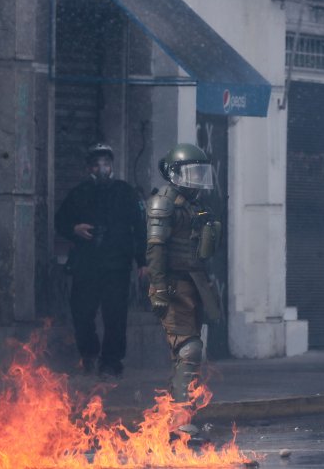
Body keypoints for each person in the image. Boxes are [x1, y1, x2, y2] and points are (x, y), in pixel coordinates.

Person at [145, 143, 223, 438]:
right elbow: (155, 249)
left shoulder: (195, 205)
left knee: (188, 353)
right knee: (189, 348)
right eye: (191, 173)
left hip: (195, 283)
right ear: (174, 174)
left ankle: (176, 417)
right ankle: (179, 421)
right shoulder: (163, 203)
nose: (197, 180)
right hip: (175, 285)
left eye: (200, 173)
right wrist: (159, 288)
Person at [55, 143, 148, 378]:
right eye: (97, 164)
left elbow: (139, 227)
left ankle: (111, 362)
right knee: (82, 314)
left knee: (115, 317)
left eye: (106, 163)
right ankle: (89, 354)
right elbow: (60, 221)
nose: (102, 168)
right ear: (89, 168)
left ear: (113, 165)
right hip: (86, 265)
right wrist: (74, 229)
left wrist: (143, 261)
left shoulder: (125, 192)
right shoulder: (79, 193)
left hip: (117, 266)